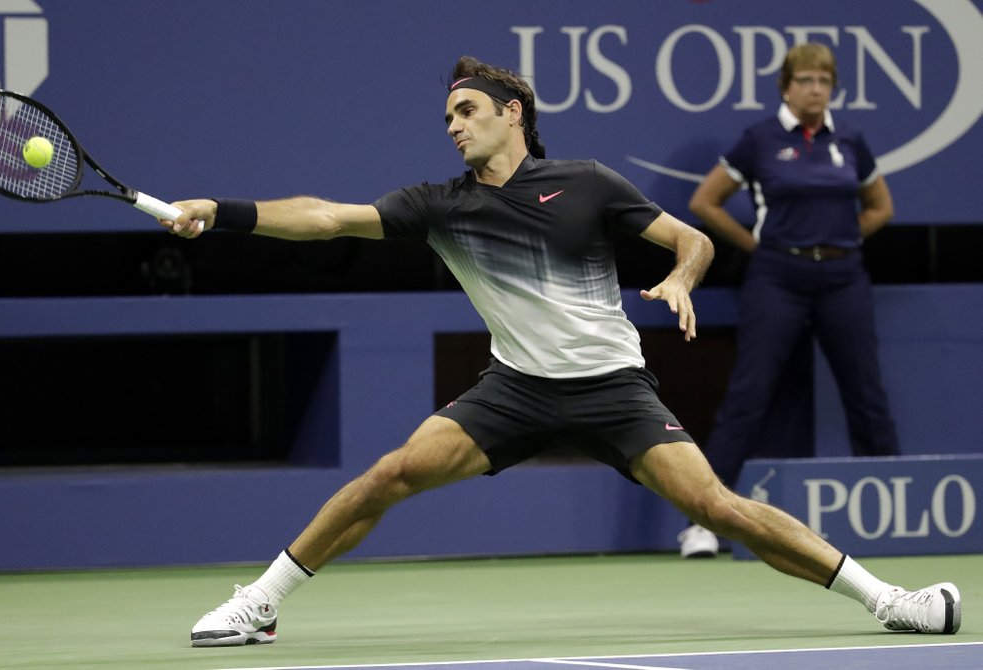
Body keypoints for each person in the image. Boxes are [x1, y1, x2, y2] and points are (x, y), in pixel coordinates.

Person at [163, 55, 959, 647]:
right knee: (392, 473)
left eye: (467, 110)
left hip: (613, 388)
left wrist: (683, 277)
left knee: (717, 506)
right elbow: (327, 218)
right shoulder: (439, 206)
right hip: (514, 391)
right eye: (447, 117)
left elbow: (691, 239)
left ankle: (889, 600)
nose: (453, 125)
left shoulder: (586, 183)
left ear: (513, 112)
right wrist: (221, 210)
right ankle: (259, 603)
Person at [680, 43, 903, 559]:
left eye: (824, 80)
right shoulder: (759, 139)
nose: (815, 89)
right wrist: (762, 246)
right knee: (748, 396)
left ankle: (896, 510)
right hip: (777, 276)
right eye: (805, 79)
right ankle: (702, 523)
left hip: (844, 277)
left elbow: (881, 207)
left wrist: (843, 239)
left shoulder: (848, 139)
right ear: (786, 86)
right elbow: (704, 203)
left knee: (866, 396)